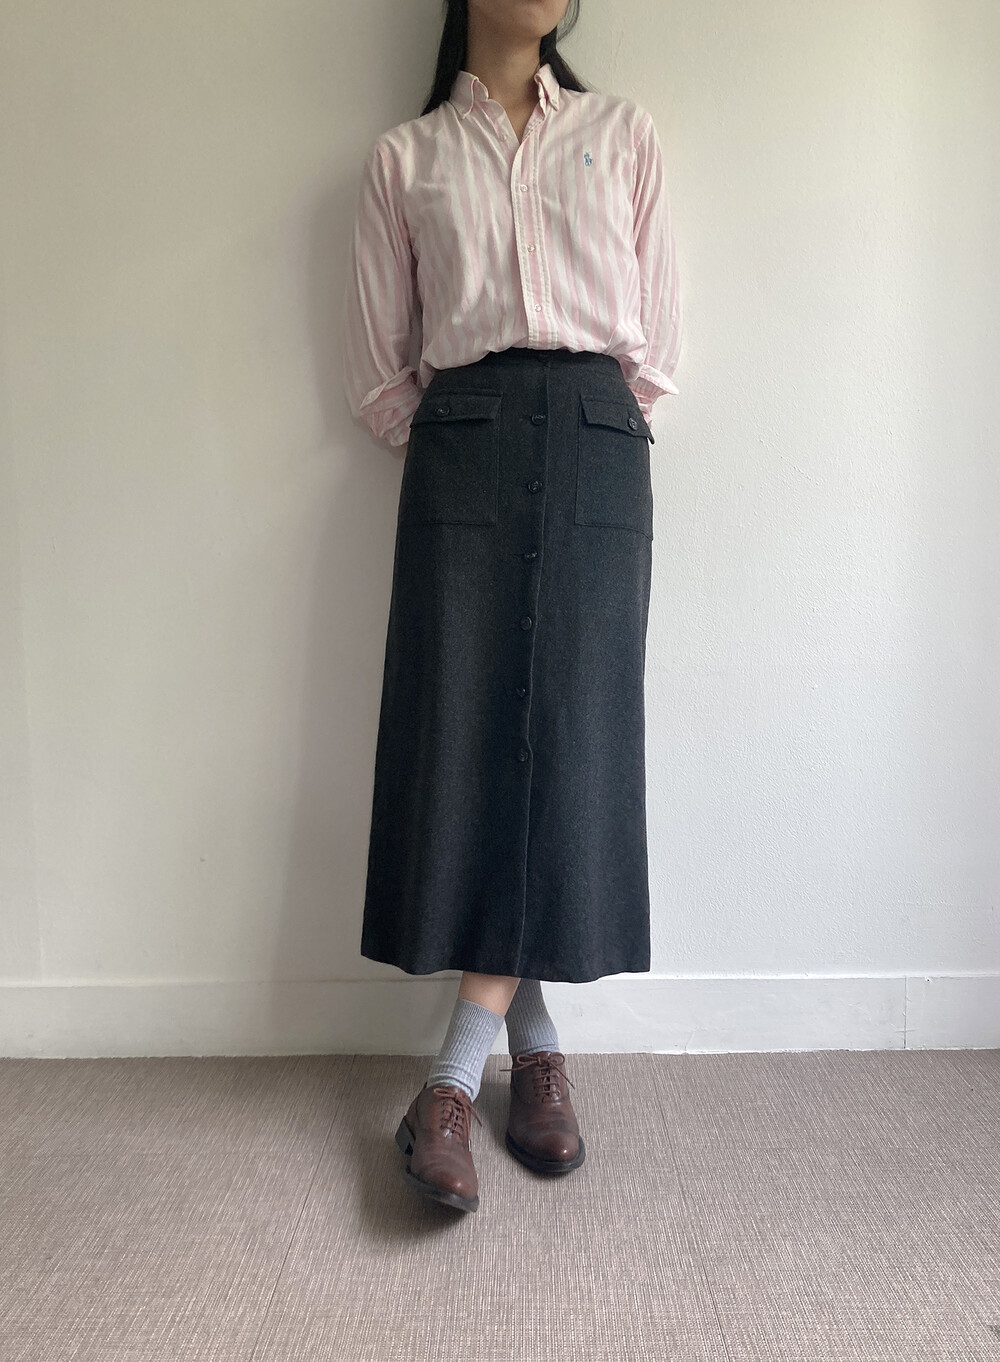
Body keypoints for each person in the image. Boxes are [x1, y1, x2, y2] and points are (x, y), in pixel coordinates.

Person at [342, 0, 681, 1214]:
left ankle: (453, 1076)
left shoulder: (622, 134)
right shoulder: (405, 158)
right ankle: (533, 1053)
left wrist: (590, 424)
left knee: (570, 735)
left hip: (595, 437)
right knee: (469, 732)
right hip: (465, 440)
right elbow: (381, 370)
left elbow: (657, 347)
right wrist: (464, 436)